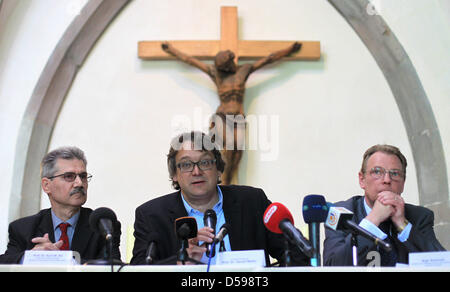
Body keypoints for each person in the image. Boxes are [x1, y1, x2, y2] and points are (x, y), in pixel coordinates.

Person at [130, 131, 309, 266]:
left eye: (205, 162)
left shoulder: (252, 201)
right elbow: (138, 269)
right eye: (186, 165)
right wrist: (181, 260)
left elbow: (297, 257)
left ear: (219, 169)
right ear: (174, 175)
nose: (197, 171)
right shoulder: (151, 215)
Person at [161, 42, 301, 185]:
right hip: (222, 117)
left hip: (238, 118)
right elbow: (191, 61)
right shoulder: (216, 74)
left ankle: (229, 181)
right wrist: (171, 50)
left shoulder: (244, 71)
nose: (224, 69)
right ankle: (225, 181)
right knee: (227, 151)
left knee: (237, 152)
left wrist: (289, 50)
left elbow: (268, 59)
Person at [323, 144, 445, 266]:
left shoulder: (420, 217)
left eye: (395, 174)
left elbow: (442, 264)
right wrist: (372, 221)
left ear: (403, 183)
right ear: (362, 180)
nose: (387, 180)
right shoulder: (339, 213)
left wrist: (402, 225)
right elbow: (333, 266)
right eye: (377, 172)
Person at [0, 146, 121, 264]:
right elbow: (4, 262)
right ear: (46, 185)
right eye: (69, 176)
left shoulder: (103, 225)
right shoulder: (23, 228)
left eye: (83, 176)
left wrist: (62, 260)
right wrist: (32, 257)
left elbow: (113, 266)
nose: (79, 183)